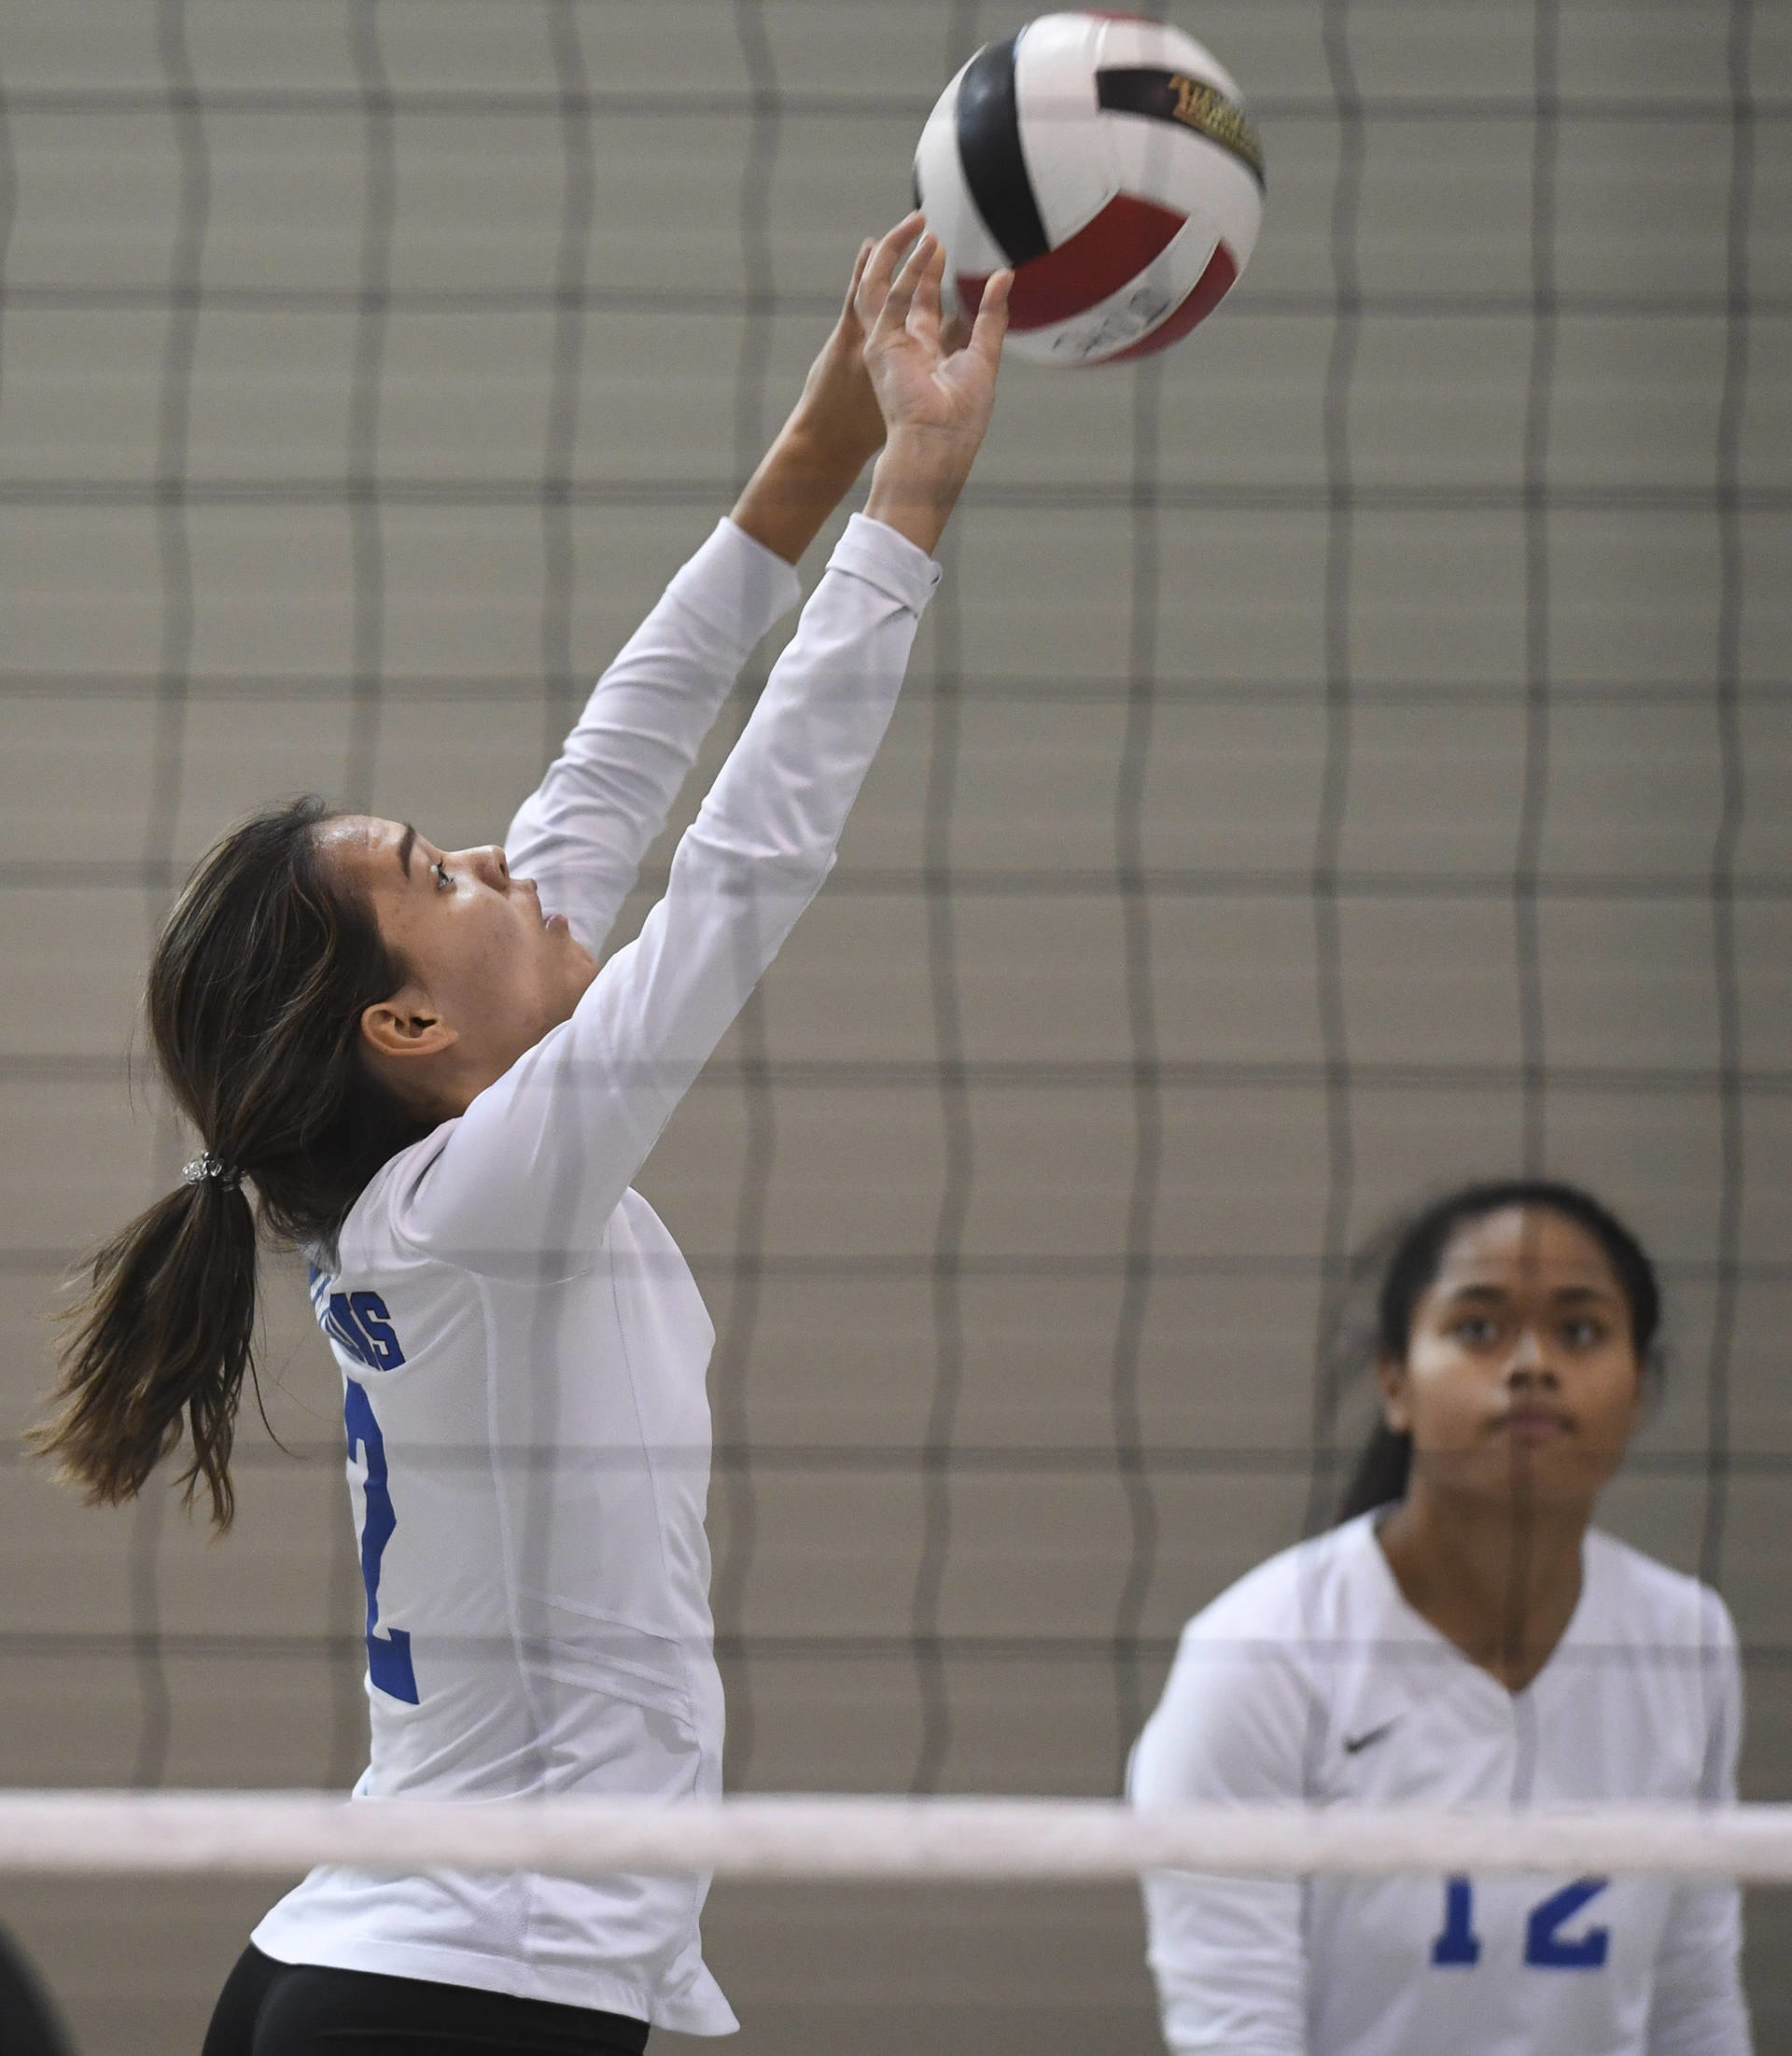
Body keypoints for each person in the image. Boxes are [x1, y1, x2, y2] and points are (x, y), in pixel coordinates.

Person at [33, 217, 1012, 2055]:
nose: (502, 855)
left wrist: (828, 443)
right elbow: (738, 874)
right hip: (462, 1992)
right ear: (405, 1025)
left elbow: (622, 755)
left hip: (399, 1965)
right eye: (439, 871)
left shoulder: (430, 1185)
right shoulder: (487, 1197)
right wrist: (915, 507)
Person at [1128, 1180, 1751, 2056]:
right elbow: (1239, 2034)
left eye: (1580, 1331)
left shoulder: (1684, 1639)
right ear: (1396, 1383)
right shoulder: (1263, 1654)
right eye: (1478, 1328)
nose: (1532, 1364)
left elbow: (1696, 2002)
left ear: (1638, 1388)